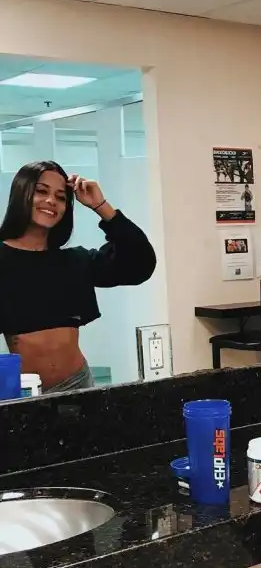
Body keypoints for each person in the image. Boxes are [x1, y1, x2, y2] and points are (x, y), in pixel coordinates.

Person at [0, 160, 156, 393]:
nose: (51, 201)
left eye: (61, 197)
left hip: (78, 385)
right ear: (22, 193)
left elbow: (140, 263)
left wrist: (101, 206)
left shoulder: (74, 261)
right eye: (41, 191)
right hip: (22, 392)